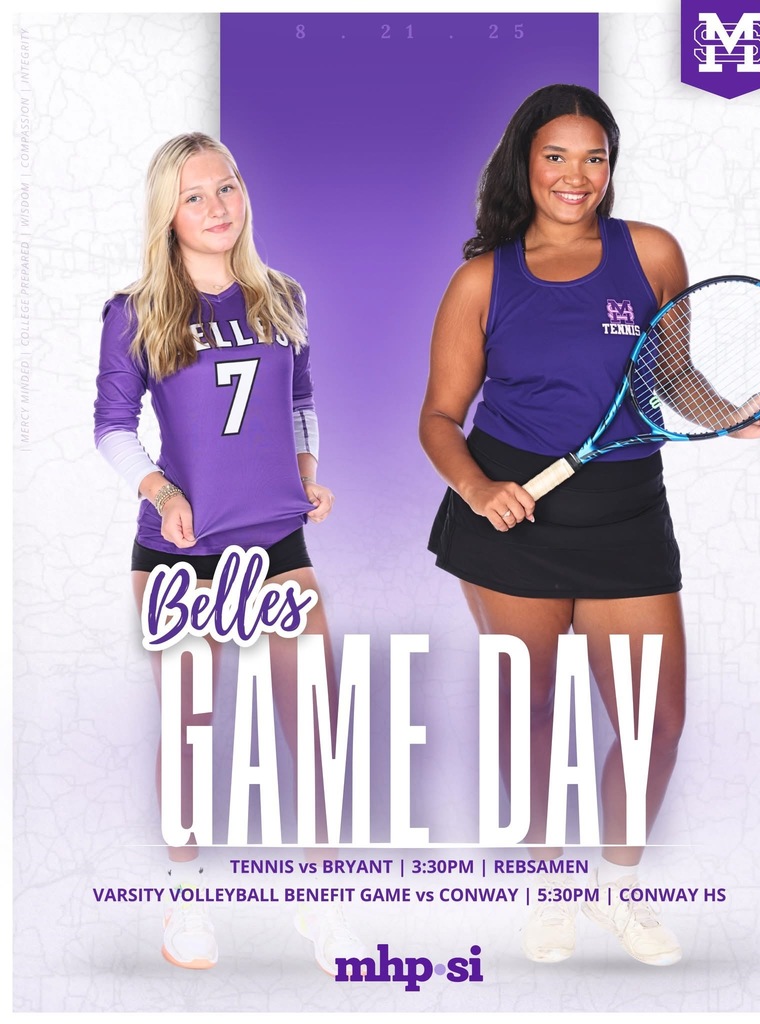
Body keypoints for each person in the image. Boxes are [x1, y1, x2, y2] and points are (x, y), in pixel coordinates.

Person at [419, 85, 760, 967]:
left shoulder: (651, 253)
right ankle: (547, 886)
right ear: (524, 163)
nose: (575, 175)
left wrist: (730, 415)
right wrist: (478, 489)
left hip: (625, 511)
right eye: (555, 156)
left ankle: (617, 888)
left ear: (610, 166)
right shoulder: (482, 279)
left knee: (653, 720)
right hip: (512, 516)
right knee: (532, 709)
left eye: (593, 157)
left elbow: (672, 375)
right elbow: (438, 418)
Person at [94, 132, 362, 973]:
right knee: (190, 727)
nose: (217, 207)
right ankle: (188, 902)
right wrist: (161, 493)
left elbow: (301, 402)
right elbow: (112, 427)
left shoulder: (281, 296)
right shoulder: (136, 309)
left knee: (314, 721)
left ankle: (322, 905)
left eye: (227, 187)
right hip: (180, 552)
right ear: (167, 214)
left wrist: (308, 472)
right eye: (194, 196)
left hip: (276, 541)